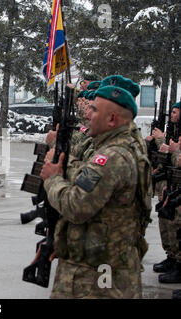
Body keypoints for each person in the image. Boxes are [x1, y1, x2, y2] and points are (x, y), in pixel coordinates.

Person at [40, 85, 152, 298]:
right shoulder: (115, 150)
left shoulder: (112, 158)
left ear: (111, 119)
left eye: (94, 110)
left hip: (97, 278)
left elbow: (76, 206)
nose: (88, 115)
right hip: (97, 265)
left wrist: (53, 179)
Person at [147, 102, 180, 275]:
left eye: (175, 112)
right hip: (169, 185)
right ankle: (172, 257)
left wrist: (164, 142)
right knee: (165, 222)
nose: (172, 115)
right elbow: (163, 159)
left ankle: (178, 261)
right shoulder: (174, 132)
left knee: (175, 225)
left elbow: (177, 160)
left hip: (176, 187)